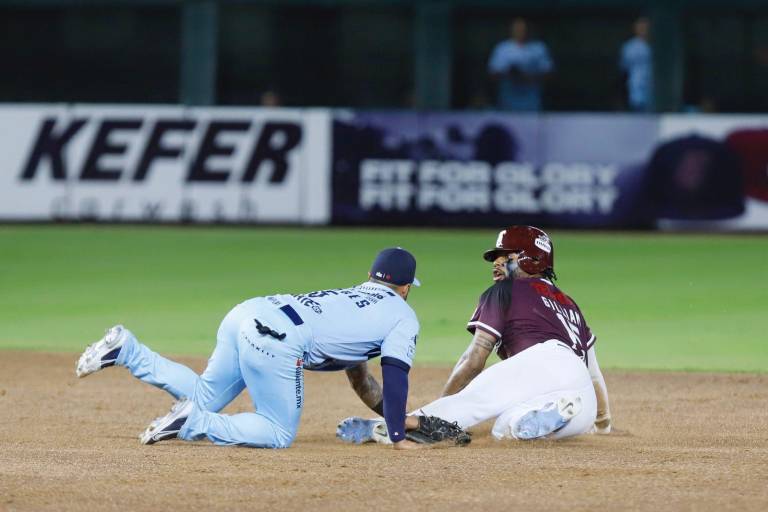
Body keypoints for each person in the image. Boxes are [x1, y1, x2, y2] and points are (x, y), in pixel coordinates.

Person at [75, 247, 449, 450]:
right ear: (406, 287)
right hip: (278, 338)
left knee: (206, 394)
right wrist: (400, 433)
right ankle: (194, 421)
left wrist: (395, 418)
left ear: (371, 277)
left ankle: (127, 350)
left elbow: (361, 382)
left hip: (247, 312)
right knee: (277, 432)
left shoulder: (353, 297)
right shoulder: (402, 314)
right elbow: (395, 375)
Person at [337, 226, 612, 444]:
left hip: (541, 362)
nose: (496, 264)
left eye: (506, 258)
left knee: (471, 405)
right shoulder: (569, 303)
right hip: (580, 391)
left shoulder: (503, 292)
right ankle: (548, 415)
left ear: (532, 258)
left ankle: (386, 428)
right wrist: (602, 422)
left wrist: (445, 405)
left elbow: (475, 358)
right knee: (507, 428)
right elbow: (594, 373)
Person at [487, 18, 554, 112]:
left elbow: (548, 73)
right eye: (517, 29)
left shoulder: (539, 47)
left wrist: (528, 77)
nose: (521, 32)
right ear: (512, 30)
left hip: (531, 102)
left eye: (523, 29)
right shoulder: (502, 48)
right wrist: (510, 73)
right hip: (507, 102)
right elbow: (492, 74)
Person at [620, 17, 653, 112]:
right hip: (636, 89)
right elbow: (623, 70)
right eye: (640, 26)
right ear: (635, 28)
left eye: (645, 27)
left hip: (655, 90)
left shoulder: (656, 44)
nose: (643, 29)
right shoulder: (629, 47)